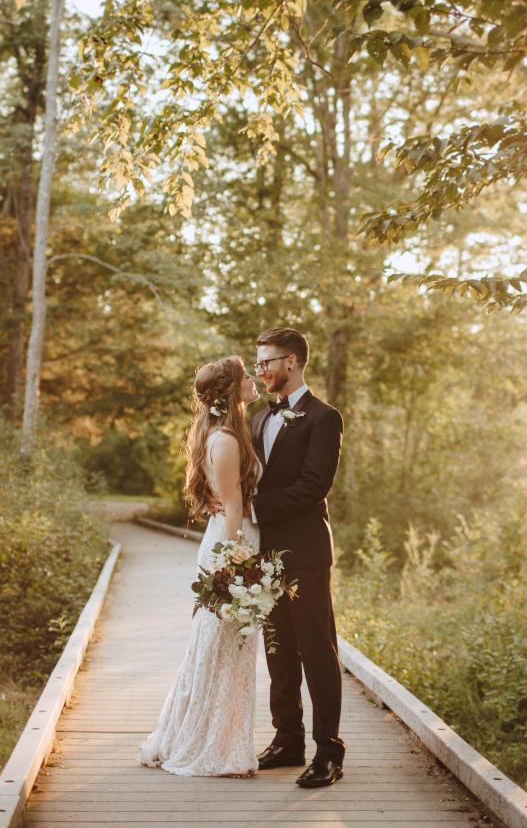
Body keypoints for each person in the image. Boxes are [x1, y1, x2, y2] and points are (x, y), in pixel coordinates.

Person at [137, 356, 263, 777]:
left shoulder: (228, 434)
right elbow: (231, 508)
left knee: (224, 651)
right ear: (231, 389)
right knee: (221, 652)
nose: (253, 380)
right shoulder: (225, 440)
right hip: (230, 548)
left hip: (232, 542)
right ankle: (211, 746)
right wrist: (234, 568)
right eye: (247, 375)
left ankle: (220, 740)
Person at [248, 327, 346, 788]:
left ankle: (330, 751)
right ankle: (288, 739)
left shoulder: (324, 418)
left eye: (267, 361)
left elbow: (314, 486)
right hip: (262, 551)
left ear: (292, 361)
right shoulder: (257, 418)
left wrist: (252, 509)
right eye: (258, 363)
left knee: (317, 651)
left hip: (306, 553)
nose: (261, 370)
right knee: (278, 649)